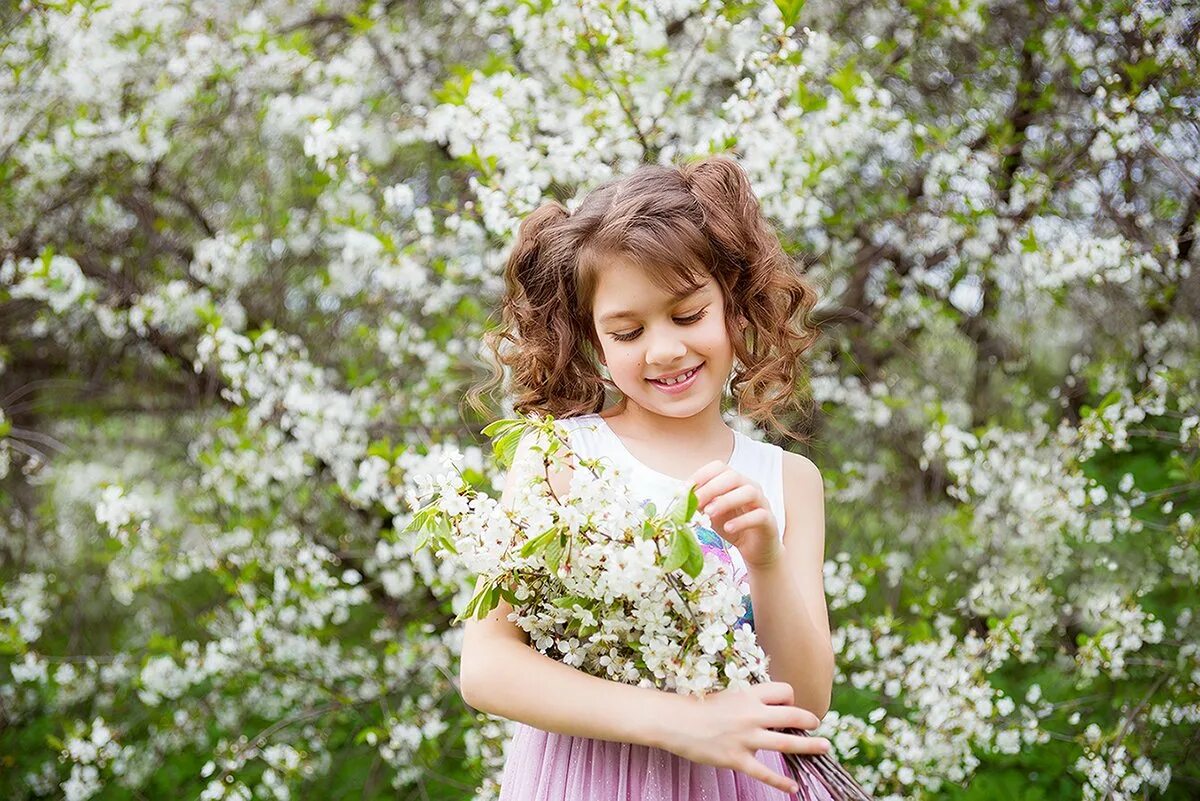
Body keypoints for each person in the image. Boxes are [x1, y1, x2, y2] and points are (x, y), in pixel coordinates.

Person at [462, 155, 835, 800]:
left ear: (735, 309)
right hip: (587, 779)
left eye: (688, 316)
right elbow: (488, 665)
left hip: (734, 783)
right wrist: (681, 723)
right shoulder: (561, 457)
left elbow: (805, 699)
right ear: (594, 343)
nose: (663, 350)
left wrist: (766, 562)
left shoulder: (789, 481)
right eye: (628, 331)